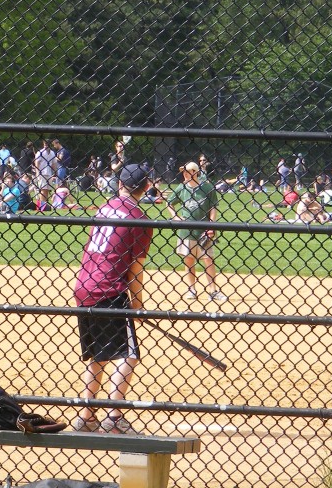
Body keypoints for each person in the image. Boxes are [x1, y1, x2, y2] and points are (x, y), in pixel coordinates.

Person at [72, 163, 154, 435]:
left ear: (120, 184)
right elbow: (135, 269)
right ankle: (114, 415)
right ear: (147, 187)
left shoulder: (104, 208)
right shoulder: (139, 219)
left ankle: (86, 416)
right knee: (128, 354)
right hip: (109, 288)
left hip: (84, 286)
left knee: (99, 354)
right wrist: (138, 301)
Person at [167, 162, 227, 303]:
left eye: (187, 172)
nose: (185, 174)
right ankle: (192, 289)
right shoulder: (182, 188)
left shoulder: (207, 187)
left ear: (195, 172)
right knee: (188, 260)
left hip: (203, 232)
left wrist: (211, 225)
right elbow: (168, 203)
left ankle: (213, 290)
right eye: (184, 172)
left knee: (208, 259)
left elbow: (213, 207)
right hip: (186, 231)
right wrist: (176, 217)